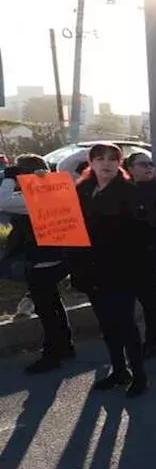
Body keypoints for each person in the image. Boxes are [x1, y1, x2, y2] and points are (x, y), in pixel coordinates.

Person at [69, 143, 153, 397]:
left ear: (119, 163)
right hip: (91, 269)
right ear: (90, 162)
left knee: (125, 324)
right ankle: (119, 370)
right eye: (100, 159)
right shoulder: (82, 189)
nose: (106, 164)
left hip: (121, 269)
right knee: (106, 324)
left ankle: (139, 376)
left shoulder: (129, 192)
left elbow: (142, 233)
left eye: (111, 159)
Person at [0, 154, 75, 373]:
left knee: (46, 309)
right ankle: (65, 345)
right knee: (54, 304)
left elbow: (2, 200)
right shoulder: (54, 191)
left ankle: (52, 354)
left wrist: (8, 178)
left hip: (41, 259)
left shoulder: (34, 197)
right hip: (58, 257)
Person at [124, 152, 156, 356]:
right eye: (143, 164)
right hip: (127, 252)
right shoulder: (124, 190)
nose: (149, 167)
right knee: (145, 298)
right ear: (130, 169)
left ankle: (155, 340)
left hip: (150, 250)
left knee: (149, 298)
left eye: (151, 164)